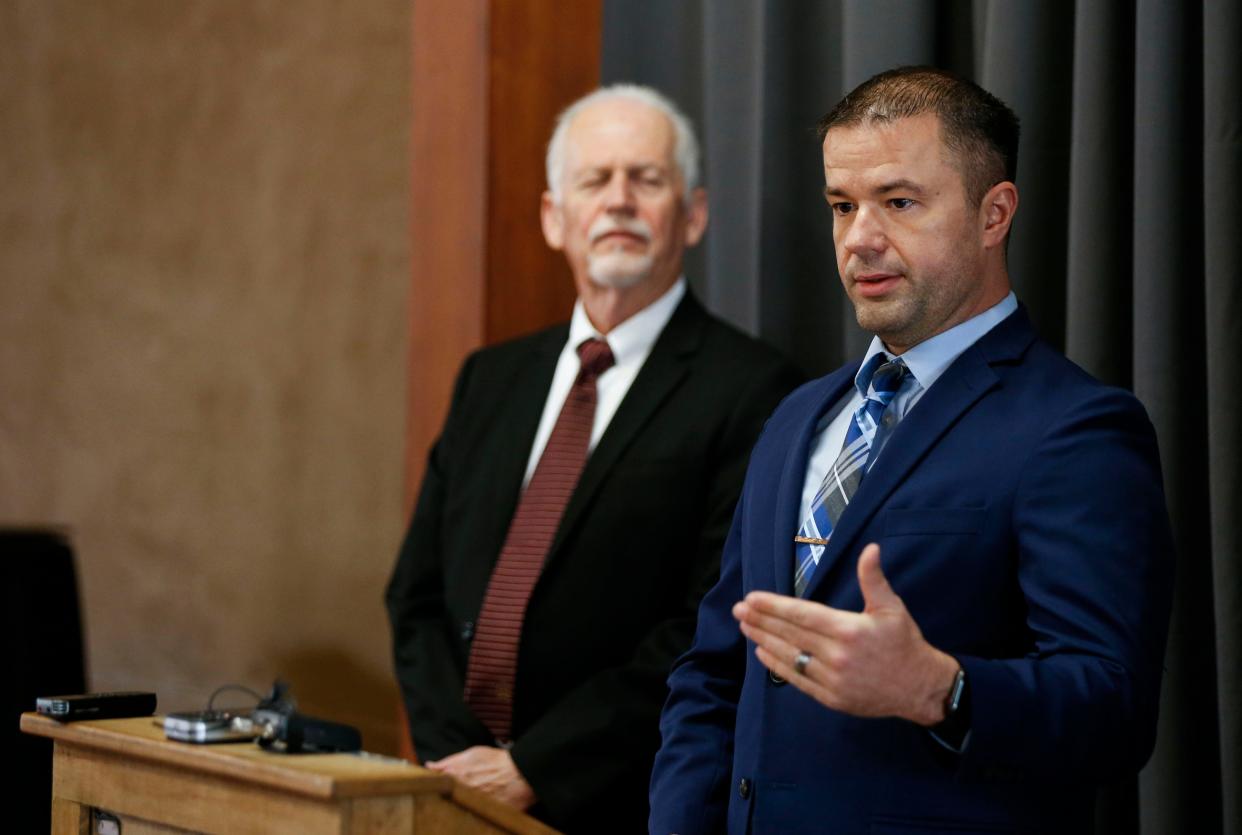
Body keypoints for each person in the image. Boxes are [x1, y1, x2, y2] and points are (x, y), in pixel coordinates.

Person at [649, 66, 1175, 834]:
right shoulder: (796, 416)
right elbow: (715, 669)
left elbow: (1114, 709)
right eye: (841, 205)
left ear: (994, 214)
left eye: (898, 202)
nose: (861, 237)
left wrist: (940, 687)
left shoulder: (1077, 428)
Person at [385, 84, 802, 834]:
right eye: (594, 180)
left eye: (646, 179)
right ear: (554, 217)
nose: (618, 201)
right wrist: (463, 764)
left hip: (620, 804)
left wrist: (533, 768)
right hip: (453, 795)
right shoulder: (490, 377)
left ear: (694, 213)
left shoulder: (755, 390)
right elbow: (415, 597)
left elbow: (707, 625)